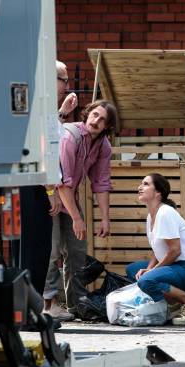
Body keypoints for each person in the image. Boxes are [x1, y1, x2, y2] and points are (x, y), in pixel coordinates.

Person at [46, 99, 118, 319]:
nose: (96, 121)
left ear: (107, 126)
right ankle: (48, 304)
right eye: (94, 114)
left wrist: (105, 218)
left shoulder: (103, 146)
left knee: (77, 250)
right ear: (87, 113)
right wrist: (77, 218)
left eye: (103, 119)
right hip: (50, 194)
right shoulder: (70, 136)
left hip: (69, 195)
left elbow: (101, 182)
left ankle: (77, 305)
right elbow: (63, 181)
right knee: (53, 249)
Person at [18, 61, 77, 295]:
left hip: (29, 182)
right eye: (63, 80)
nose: (66, 85)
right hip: (34, 185)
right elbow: (46, 150)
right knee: (37, 249)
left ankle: (28, 306)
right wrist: (51, 191)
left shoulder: (36, 104)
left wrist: (62, 112)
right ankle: (30, 307)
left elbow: (50, 133)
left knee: (33, 249)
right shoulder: (39, 105)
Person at [126, 173, 185, 325]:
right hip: (175, 266)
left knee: (146, 281)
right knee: (133, 271)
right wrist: (149, 269)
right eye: (141, 183)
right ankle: (173, 305)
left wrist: (151, 272)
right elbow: (157, 250)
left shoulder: (165, 213)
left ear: (158, 193)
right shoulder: (151, 216)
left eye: (146, 184)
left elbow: (175, 251)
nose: (140, 187)